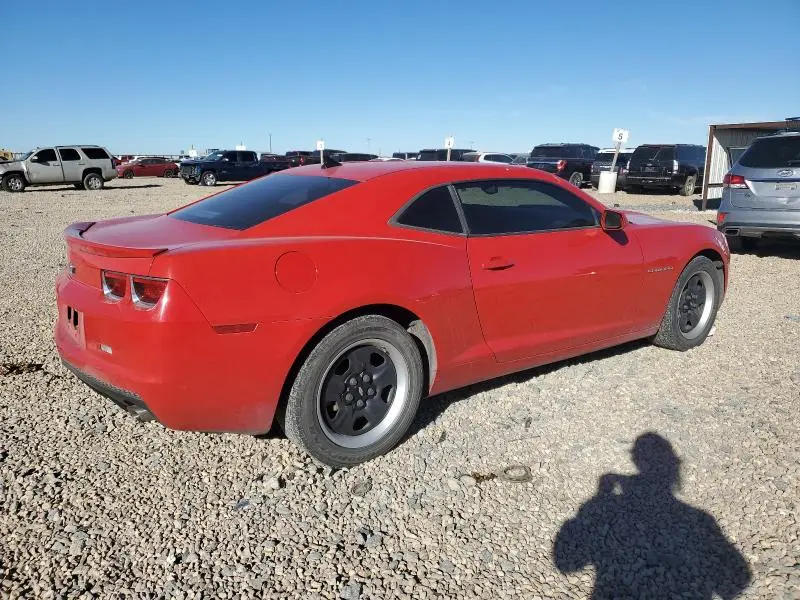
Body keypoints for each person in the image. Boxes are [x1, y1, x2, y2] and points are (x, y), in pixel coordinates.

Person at [553, 433, 751, 599]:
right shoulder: (700, 520)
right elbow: (736, 582)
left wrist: (599, 499)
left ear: (635, 461)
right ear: (674, 467)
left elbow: (567, 562)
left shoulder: (605, 507)